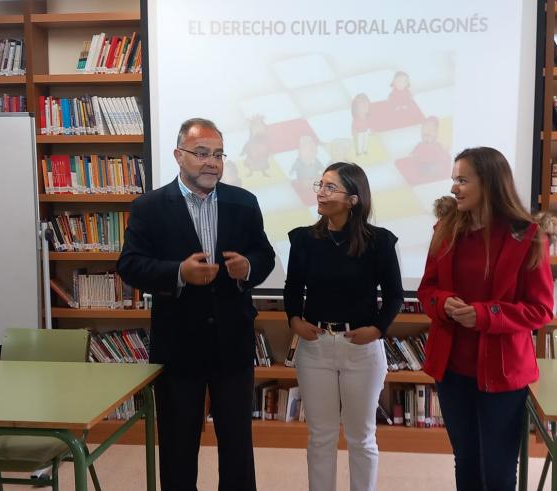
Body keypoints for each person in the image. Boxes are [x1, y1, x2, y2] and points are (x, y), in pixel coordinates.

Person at [117, 117, 276, 491]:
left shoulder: (244, 203)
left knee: (237, 446)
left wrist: (248, 266)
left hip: (232, 344)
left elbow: (265, 255)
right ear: (178, 155)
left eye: (218, 155)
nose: (212, 163)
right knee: (177, 446)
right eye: (202, 153)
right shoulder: (150, 207)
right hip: (178, 346)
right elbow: (129, 265)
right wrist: (177, 273)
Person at [417, 147, 555, 491]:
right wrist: (443, 303)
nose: (453, 189)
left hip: (503, 372)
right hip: (451, 369)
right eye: (453, 180)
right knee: (465, 461)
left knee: (497, 471)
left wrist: (484, 315)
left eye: (462, 180)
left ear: (489, 183)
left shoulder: (528, 236)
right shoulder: (446, 229)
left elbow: (540, 310)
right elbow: (427, 290)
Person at [283, 162, 404, 491]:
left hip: (361, 349)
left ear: (353, 199)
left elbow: (394, 295)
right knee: (320, 436)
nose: (320, 193)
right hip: (315, 348)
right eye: (319, 185)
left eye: (330, 187)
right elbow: (292, 290)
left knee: (361, 437)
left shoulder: (379, 242)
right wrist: (294, 320)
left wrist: (377, 329)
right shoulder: (304, 240)